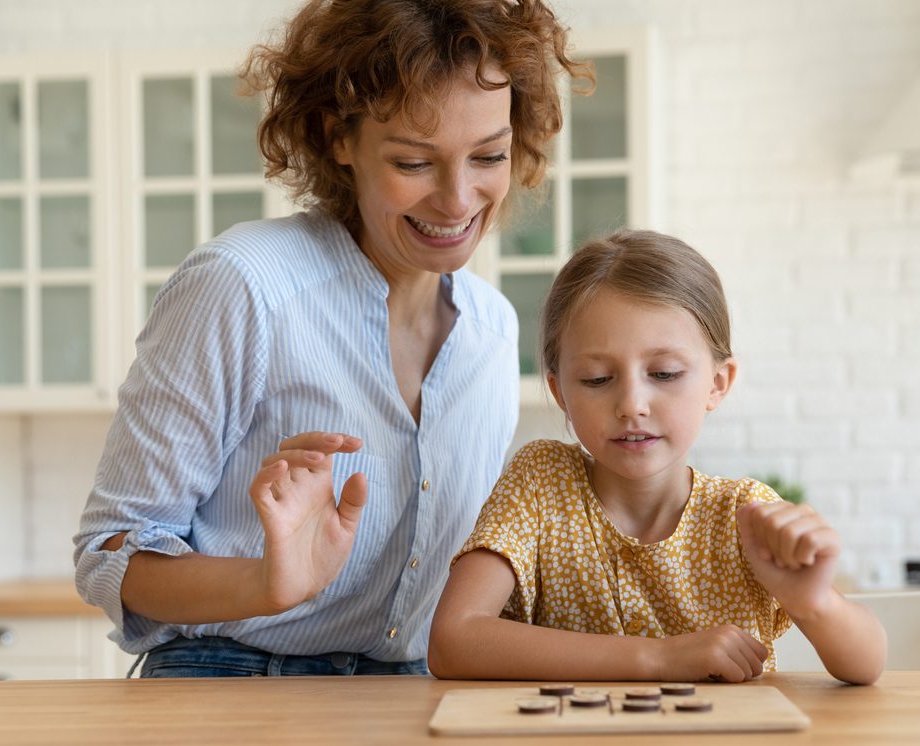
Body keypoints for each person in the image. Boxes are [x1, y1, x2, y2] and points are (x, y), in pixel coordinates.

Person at [73, 0, 591, 678]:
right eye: (414, 162)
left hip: (412, 691)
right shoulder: (246, 286)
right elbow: (111, 550)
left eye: (489, 155)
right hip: (230, 679)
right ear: (338, 138)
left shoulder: (493, 331)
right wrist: (264, 582)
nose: (459, 200)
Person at [427, 230, 887, 685]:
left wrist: (815, 603)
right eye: (596, 379)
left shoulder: (742, 515)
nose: (632, 404)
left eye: (664, 373)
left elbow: (867, 666)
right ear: (560, 392)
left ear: (718, 383)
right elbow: (452, 640)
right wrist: (658, 659)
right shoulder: (541, 485)